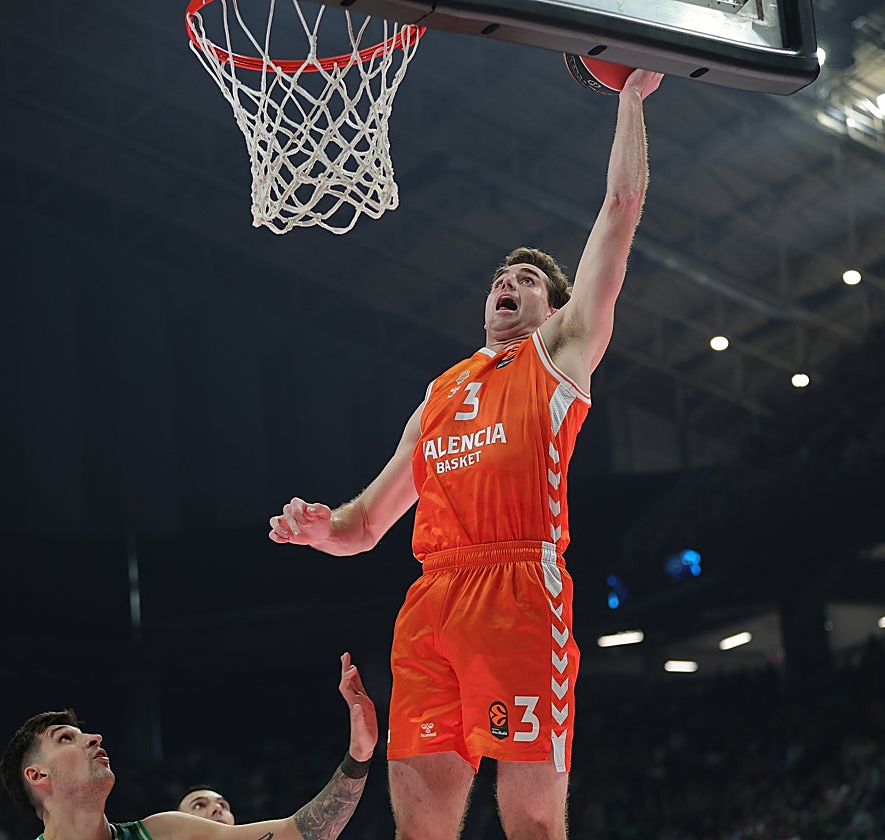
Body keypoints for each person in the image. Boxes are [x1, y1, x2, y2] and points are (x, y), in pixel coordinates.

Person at [268, 68, 663, 840]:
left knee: (533, 827)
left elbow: (619, 211)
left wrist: (630, 100)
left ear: (554, 308)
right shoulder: (440, 393)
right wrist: (321, 528)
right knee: (420, 829)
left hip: (519, 591)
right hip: (432, 603)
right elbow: (365, 526)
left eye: (523, 281)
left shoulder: (560, 355)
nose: (505, 286)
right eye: (498, 280)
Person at [0, 652, 376, 840]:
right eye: (66, 738)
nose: (94, 737)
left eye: (83, 732)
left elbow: (297, 833)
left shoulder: (164, 833)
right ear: (37, 775)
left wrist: (358, 757)